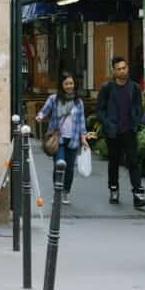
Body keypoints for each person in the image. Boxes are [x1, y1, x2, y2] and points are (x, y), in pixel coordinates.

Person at [97, 56, 145, 208]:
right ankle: (114, 189)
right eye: (119, 69)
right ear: (113, 71)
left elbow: (139, 107)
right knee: (114, 162)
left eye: (124, 68)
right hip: (113, 131)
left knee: (133, 161)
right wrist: (107, 123)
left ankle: (138, 194)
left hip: (129, 130)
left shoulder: (134, 88)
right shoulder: (107, 88)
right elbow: (100, 109)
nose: (122, 71)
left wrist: (136, 121)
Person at [37, 73, 88, 205]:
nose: (69, 86)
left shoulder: (78, 102)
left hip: (73, 139)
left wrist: (83, 137)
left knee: (70, 168)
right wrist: (40, 116)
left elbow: (82, 121)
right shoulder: (54, 99)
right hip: (58, 138)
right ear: (61, 85)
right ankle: (57, 191)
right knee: (59, 165)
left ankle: (65, 192)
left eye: (71, 83)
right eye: (66, 84)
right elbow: (44, 110)